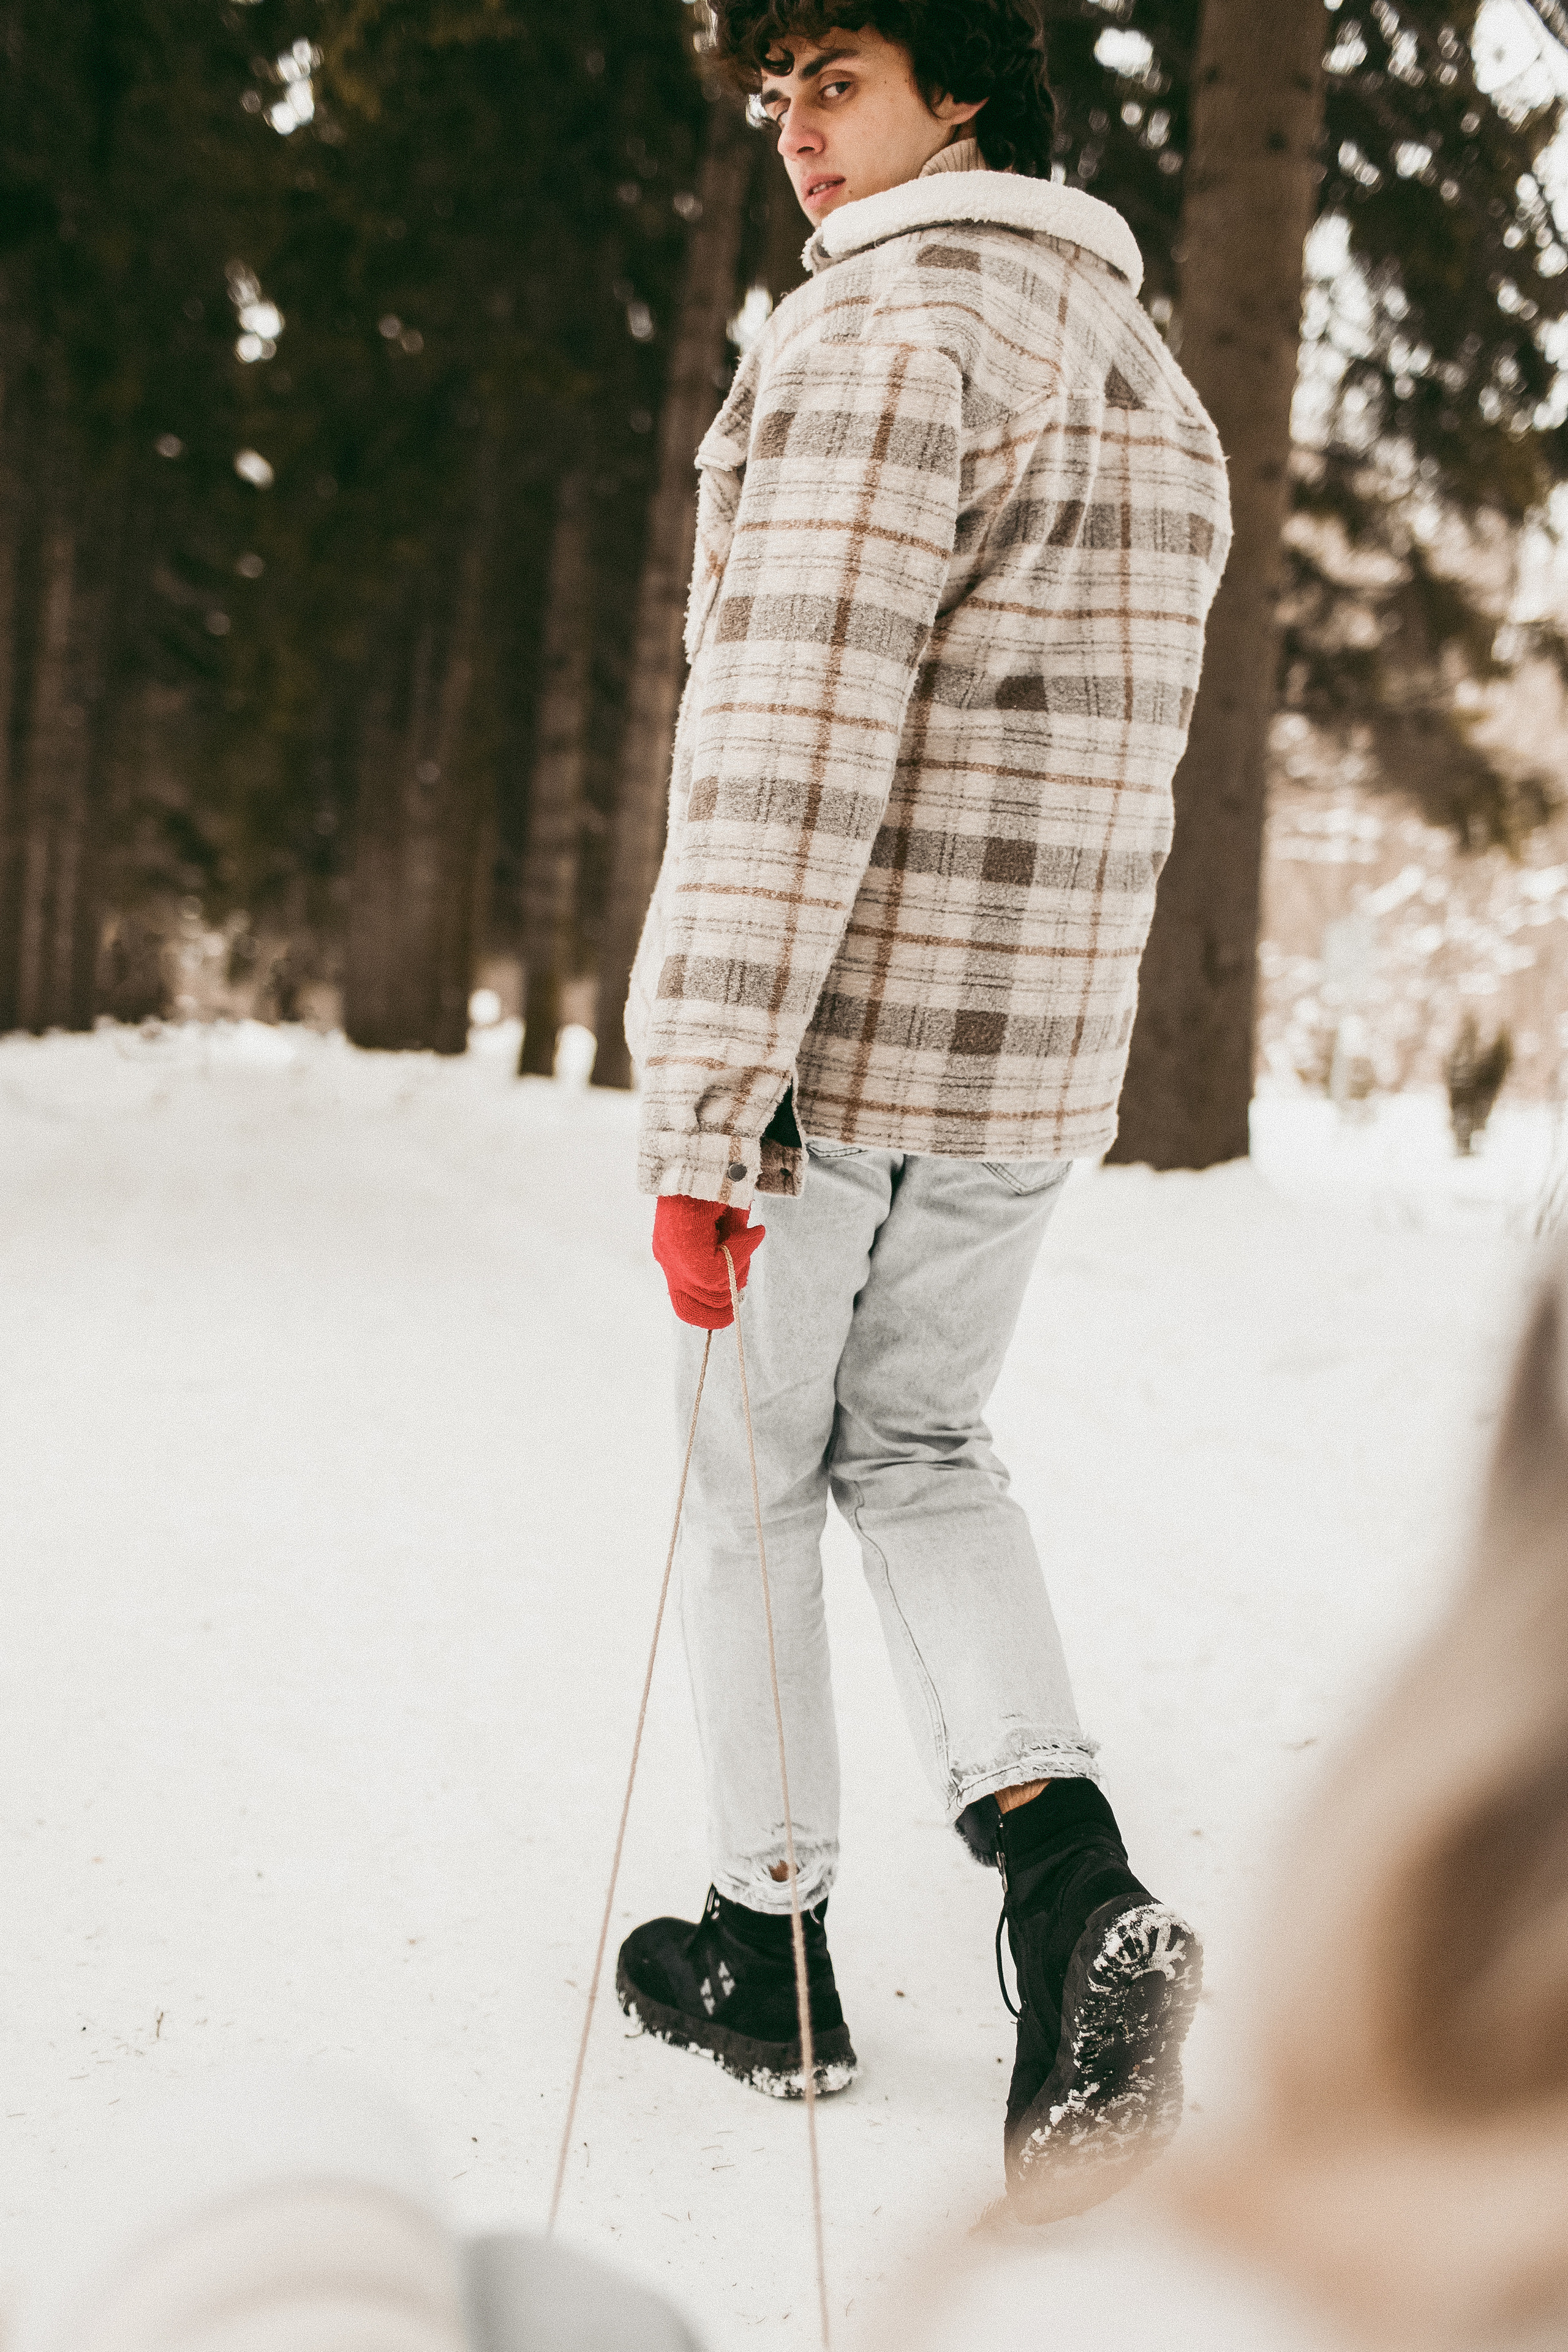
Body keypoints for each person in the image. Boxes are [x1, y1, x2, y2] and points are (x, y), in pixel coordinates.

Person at [615, 0, 1231, 2222]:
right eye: (773, 89)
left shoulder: (882, 334)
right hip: (1032, 1055)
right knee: (925, 1448)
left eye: (837, 80)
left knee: (754, 1477)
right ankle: (1073, 1890)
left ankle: (765, 1947)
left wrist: (707, 1108)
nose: (793, 130)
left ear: (959, 84)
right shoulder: (1143, 371)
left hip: (840, 1050)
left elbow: (791, 738)